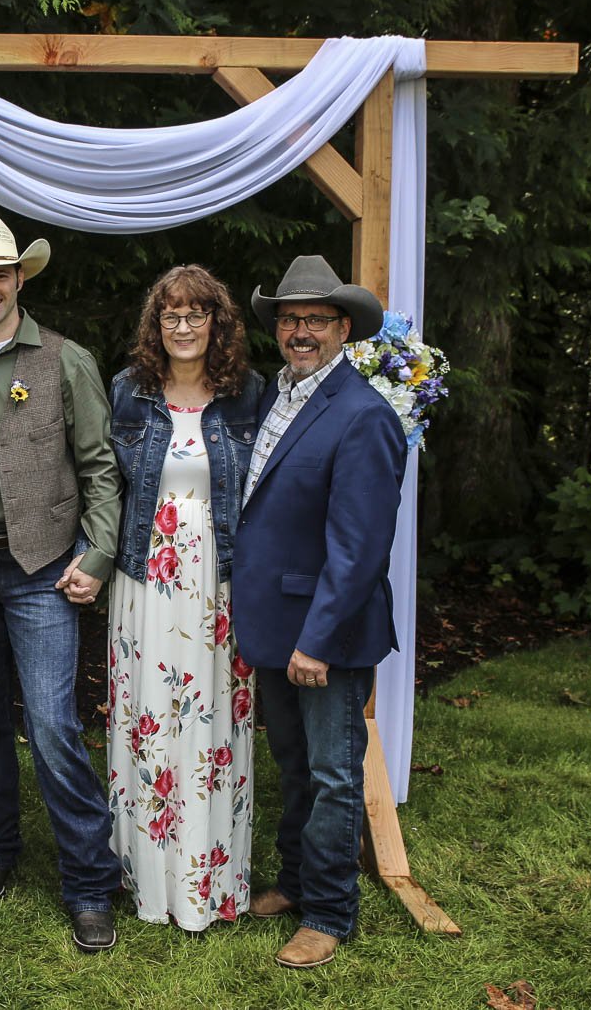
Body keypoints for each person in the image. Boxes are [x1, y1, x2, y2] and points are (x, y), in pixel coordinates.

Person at [0, 214, 125, 952]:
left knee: (52, 725)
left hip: (43, 569)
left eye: (0, 273)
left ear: (20, 279)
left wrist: (96, 557)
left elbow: (101, 467)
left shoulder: (68, 360)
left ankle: (90, 882)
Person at [232, 255, 407, 968]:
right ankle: (297, 880)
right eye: (290, 318)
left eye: (315, 319)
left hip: (324, 631)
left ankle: (331, 912)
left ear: (343, 327)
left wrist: (319, 640)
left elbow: (361, 548)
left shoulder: (363, 412)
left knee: (335, 771)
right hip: (275, 623)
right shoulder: (279, 396)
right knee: (295, 763)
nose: (300, 331)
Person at [106, 265, 264, 929]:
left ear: (217, 322)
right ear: (155, 325)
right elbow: (102, 481)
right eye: (170, 315)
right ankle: (144, 876)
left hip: (218, 581)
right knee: (148, 715)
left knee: (213, 719)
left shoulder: (248, 393)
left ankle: (211, 877)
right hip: (146, 576)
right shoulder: (129, 392)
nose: (183, 327)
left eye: (197, 314)